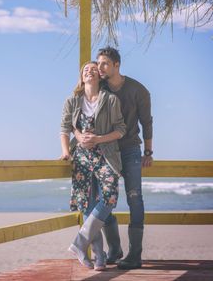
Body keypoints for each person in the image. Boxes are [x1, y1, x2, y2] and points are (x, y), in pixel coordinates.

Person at [60, 61, 126, 271]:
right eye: (85, 70)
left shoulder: (111, 100)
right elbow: (64, 127)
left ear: (99, 76)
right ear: (81, 77)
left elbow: (121, 129)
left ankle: (80, 243)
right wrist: (66, 151)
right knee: (87, 205)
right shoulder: (72, 100)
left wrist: (98, 139)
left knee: (109, 197)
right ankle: (99, 257)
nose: (89, 71)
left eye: (93, 69)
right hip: (81, 158)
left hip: (106, 156)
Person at [92, 47, 154, 270]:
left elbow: (147, 122)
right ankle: (115, 249)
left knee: (134, 199)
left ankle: (135, 255)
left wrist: (148, 152)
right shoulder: (101, 88)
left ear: (117, 65)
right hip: (106, 152)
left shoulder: (138, 90)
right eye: (98, 64)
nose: (100, 68)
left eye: (105, 64)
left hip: (130, 151)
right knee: (105, 199)